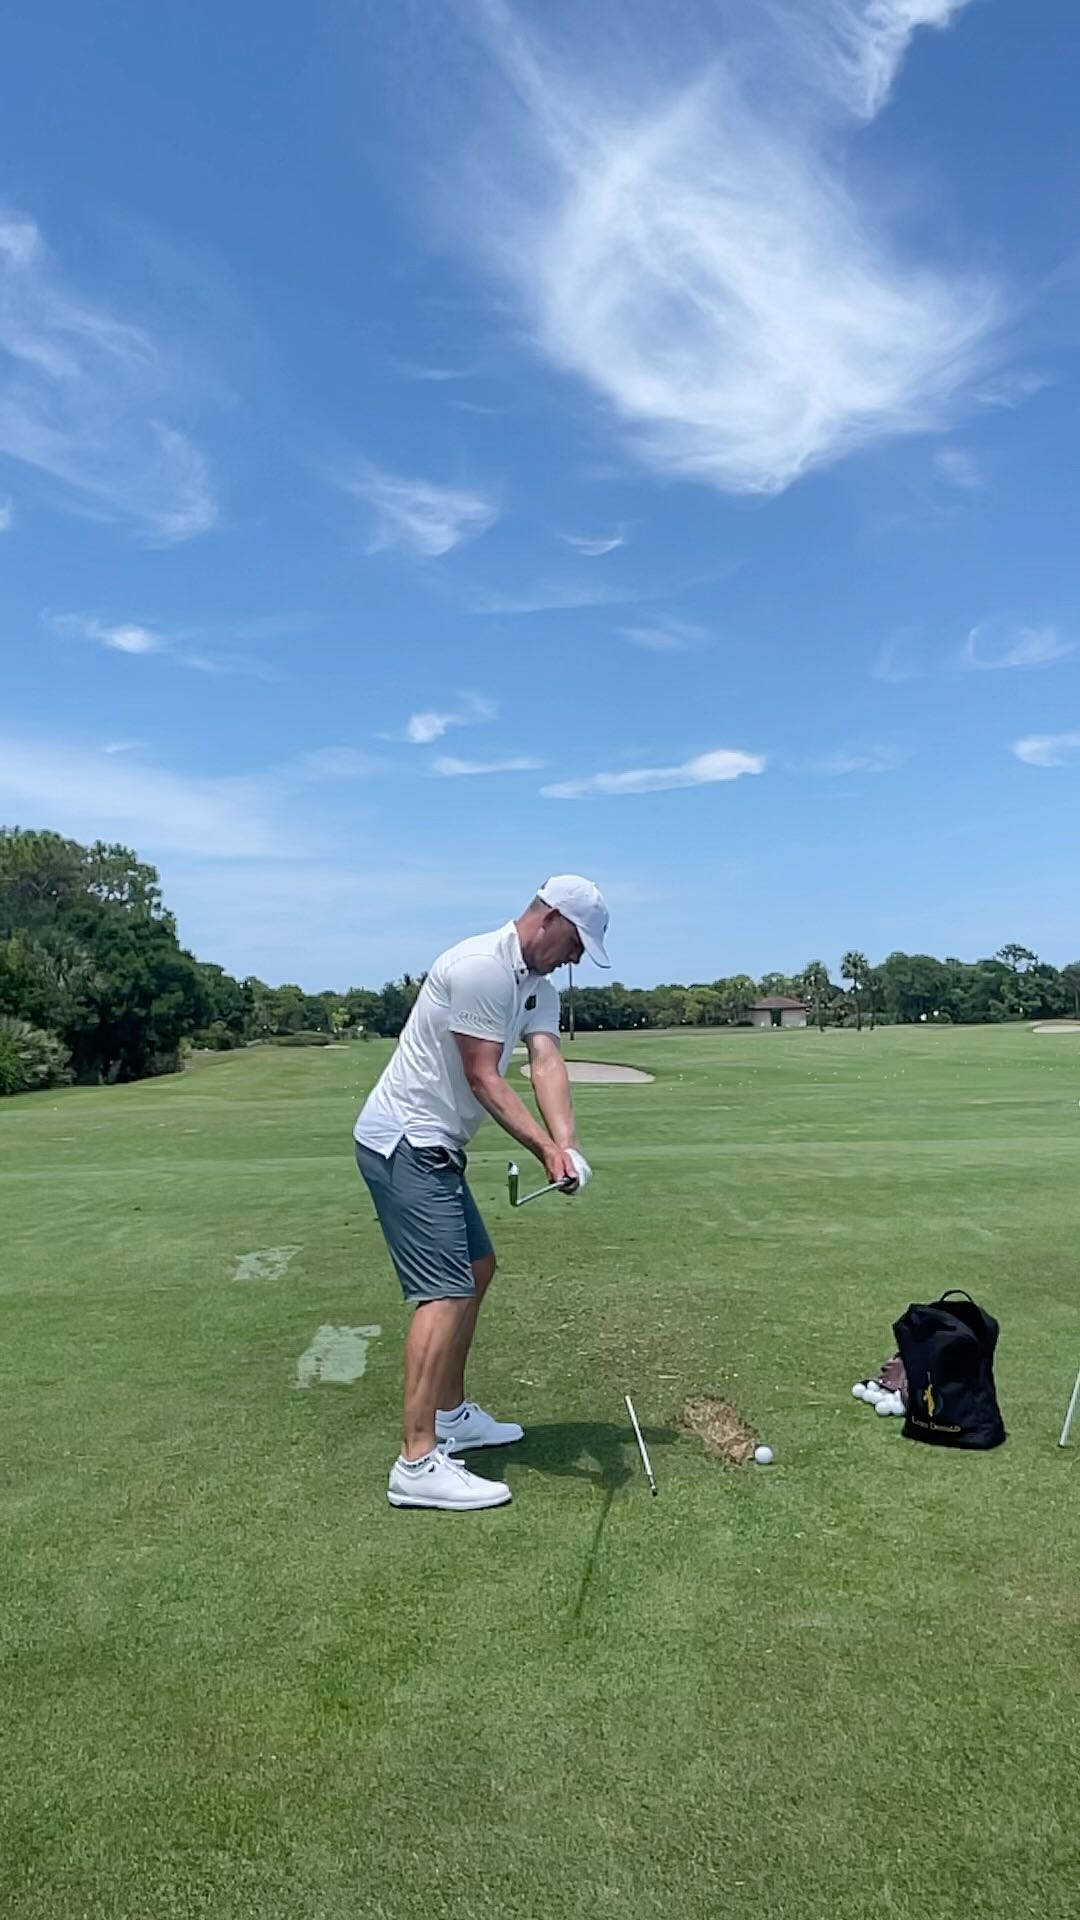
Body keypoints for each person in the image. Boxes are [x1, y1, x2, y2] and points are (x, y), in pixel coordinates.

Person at [354, 875, 610, 1511]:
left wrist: (567, 1143)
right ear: (548, 919)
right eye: (576, 942)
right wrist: (545, 1152)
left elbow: (545, 1061)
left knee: (476, 1266)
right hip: (405, 1141)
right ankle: (415, 1463)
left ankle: (450, 1416)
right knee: (443, 1291)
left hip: (435, 1144)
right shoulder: (478, 969)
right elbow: (483, 1076)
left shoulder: (536, 988)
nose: (578, 958)